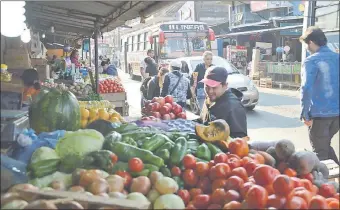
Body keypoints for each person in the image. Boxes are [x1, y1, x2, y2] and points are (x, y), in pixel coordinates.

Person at [299, 27, 339, 164]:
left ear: (310, 42)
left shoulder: (311, 61)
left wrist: (304, 113)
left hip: (320, 115)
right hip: (337, 115)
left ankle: (327, 185)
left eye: (305, 45)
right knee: (325, 146)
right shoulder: (337, 58)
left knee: (320, 153)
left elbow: (306, 87)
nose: (306, 48)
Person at [199, 66, 248, 138]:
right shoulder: (210, 98)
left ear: (225, 86)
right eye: (207, 86)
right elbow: (203, 121)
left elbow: (240, 139)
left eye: (214, 87)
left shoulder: (233, 107)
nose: (209, 91)